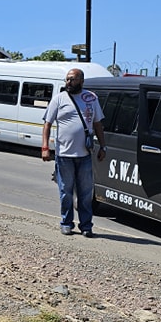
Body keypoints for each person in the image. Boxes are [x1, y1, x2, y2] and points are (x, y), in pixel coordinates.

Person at [41, 68, 107, 237]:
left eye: (72, 79)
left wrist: (103, 146)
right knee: (66, 192)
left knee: (85, 194)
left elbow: (98, 124)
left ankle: (86, 226)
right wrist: (45, 148)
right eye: (67, 79)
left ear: (81, 81)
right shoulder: (59, 99)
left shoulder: (91, 99)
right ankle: (66, 223)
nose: (68, 82)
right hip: (64, 156)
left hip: (84, 155)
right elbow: (47, 125)